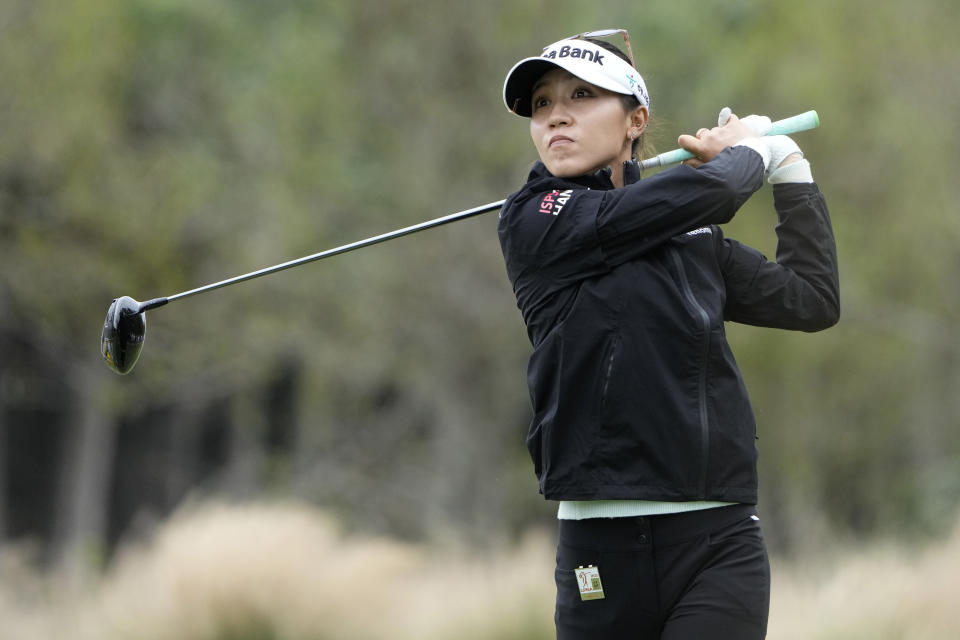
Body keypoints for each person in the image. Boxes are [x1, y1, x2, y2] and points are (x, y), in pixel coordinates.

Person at [497, 30, 839, 639]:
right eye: (542, 104)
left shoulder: (689, 234)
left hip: (718, 541)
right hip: (599, 546)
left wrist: (789, 167)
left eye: (580, 95)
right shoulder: (536, 218)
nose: (556, 116)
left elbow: (811, 300)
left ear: (636, 120)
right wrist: (750, 152)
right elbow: (706, 193)